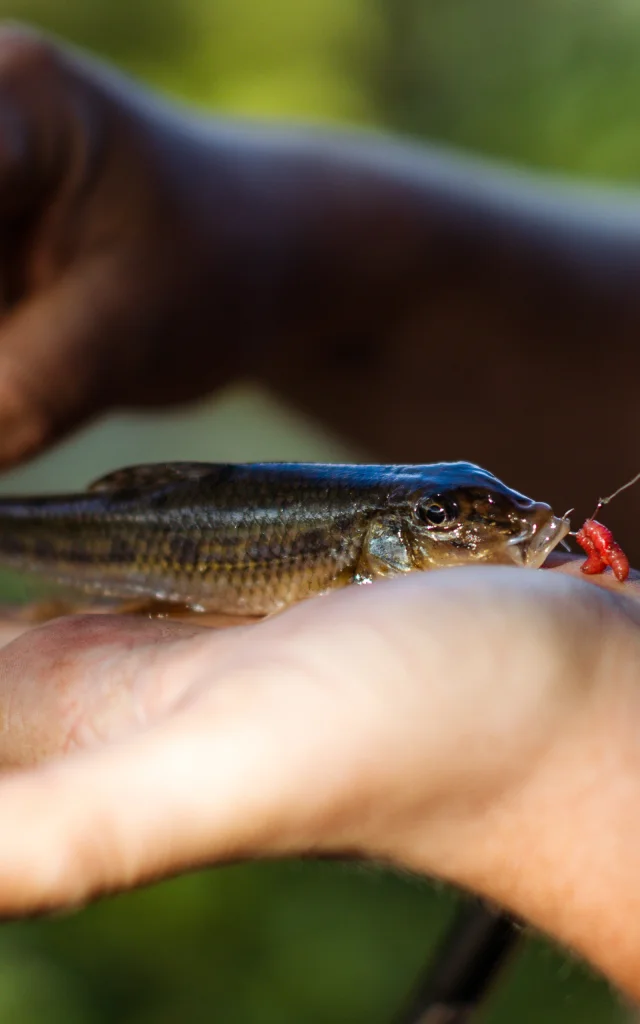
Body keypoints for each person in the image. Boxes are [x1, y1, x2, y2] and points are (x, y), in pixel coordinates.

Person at [0, 22, 639, 1003]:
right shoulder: (374, 534)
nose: (499, 526)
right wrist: (288, 239)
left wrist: (576, 748)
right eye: (458, 519)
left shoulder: (407, 541)